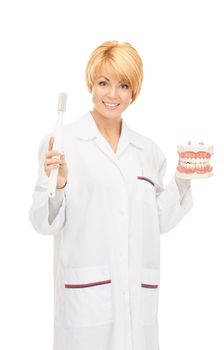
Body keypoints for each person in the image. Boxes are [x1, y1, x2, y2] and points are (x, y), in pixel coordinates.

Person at [29, 40, 193, 350]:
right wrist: (60, 184)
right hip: (86, 302)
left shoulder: (149, 151)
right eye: (104, 83)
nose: (112, 94)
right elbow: (42, 222)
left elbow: (157, 220)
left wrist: (183, 179)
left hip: (136, 299)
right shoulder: (62, 143)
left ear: (134, 91)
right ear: (90, 83)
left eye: (123, 85)